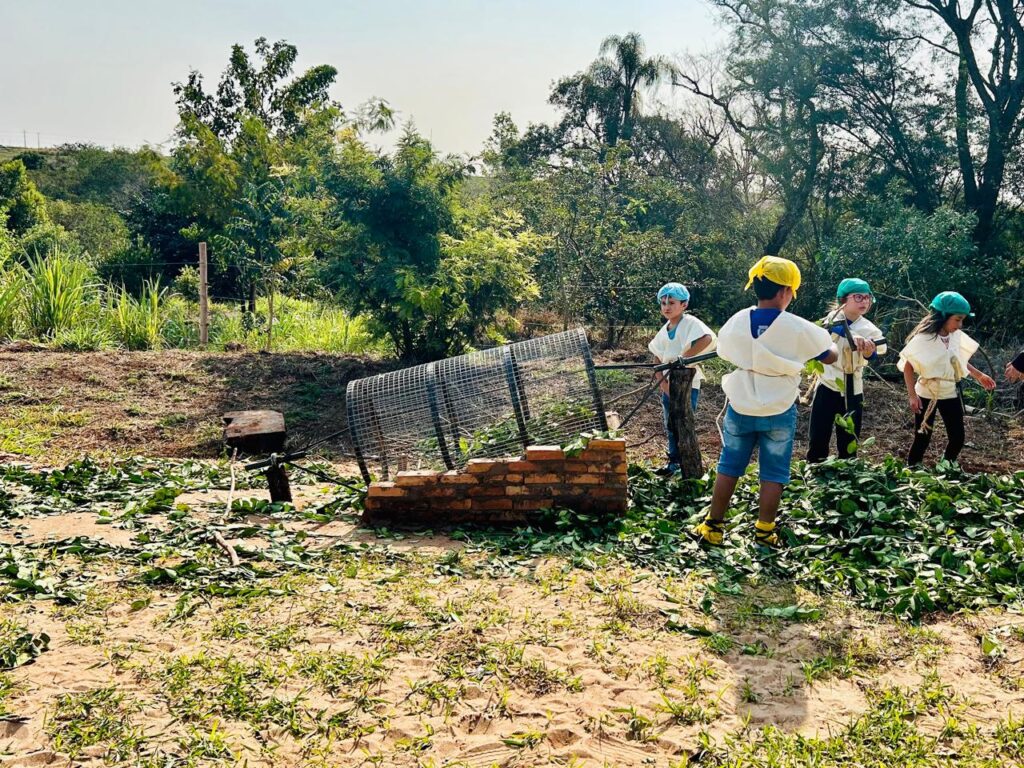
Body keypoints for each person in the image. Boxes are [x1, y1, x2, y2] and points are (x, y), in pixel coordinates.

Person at [695, 256, 837, 549]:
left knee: (729, 464)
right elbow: (828, 355)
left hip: (741, 403)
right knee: (774, 470)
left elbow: (724, 349)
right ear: (786, 291)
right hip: (779, 407)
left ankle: (713, 526)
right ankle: (764, 531)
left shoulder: (736, 321)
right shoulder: (797, 326)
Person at [898, 291, 996, 465]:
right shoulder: (923, 339)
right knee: (922, 436)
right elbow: (908, 366)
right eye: (957, 319)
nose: (960, 324)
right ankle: (912, 469)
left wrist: (979, 375)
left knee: (957, 437)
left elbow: (958, 361)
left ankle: (946, 466)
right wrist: (912, 395)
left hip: (949, 392)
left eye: (962, 320)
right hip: (926, 393)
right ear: (942, 316)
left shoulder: (955, 337)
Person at [806, 278, 888, 462]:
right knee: (819, 432)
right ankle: (815, 466)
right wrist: (851, 335)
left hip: (853, 386)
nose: (864, 302)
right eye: (858, 297)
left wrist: (869, 352)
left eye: (867, 298)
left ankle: (847, 469)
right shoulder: (831, 319)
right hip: (827, 382)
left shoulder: (869, 328)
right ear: (844, 299)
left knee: (849, 435)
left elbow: (880, 348)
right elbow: (830, 329)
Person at [648, 282, 716, 475]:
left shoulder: (690, 323)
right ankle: (673, 463)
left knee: (684, 422)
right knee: (670, 425)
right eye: (663, 303)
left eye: (672, 302)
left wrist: (684, 360)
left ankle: (689, 466)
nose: (667, 307)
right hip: (669, 383)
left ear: (684, 305)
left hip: (687, 383)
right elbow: (657, 357)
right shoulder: (664, 330)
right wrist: (663, 385)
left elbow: (707, 339)